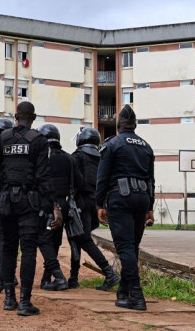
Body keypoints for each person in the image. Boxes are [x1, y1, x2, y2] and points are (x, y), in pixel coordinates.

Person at [0, 101, 60, 317]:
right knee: (28, 250)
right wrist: (53, 206)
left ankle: (9, 298)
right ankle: (25, 302)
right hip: (29, 202)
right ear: (33, 118)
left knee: (8, 247)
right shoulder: (39, 140)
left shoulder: (2, 139)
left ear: (15, 117)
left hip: (6, 201)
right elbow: (44, 177)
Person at [96, 105, 155, 311]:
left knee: (125, 248)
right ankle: (124, 292)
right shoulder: (146, 146)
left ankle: (137, 295)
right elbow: (151, 180)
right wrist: (151, 207)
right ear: (135, 125)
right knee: (132, 247)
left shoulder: (112, 144)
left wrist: (99, 204)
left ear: (118, 125)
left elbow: (102, 176)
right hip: (142, 200)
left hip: (120, 198)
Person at [70, 127, 119, 290]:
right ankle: (73, 278)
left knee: (82, 239)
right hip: (96, 204)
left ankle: (109, 273)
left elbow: (73, 182)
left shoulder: (76, 156)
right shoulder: (103, 156)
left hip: (81, 203)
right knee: (76, 238)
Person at [36, 124, 74, 292]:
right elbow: (76, 183)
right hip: (63, 204)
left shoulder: (42, 158)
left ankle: (56, 277)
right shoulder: (69, 158)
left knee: (44, 240)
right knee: (55, 242)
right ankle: (46, 278)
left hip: (47, 204)